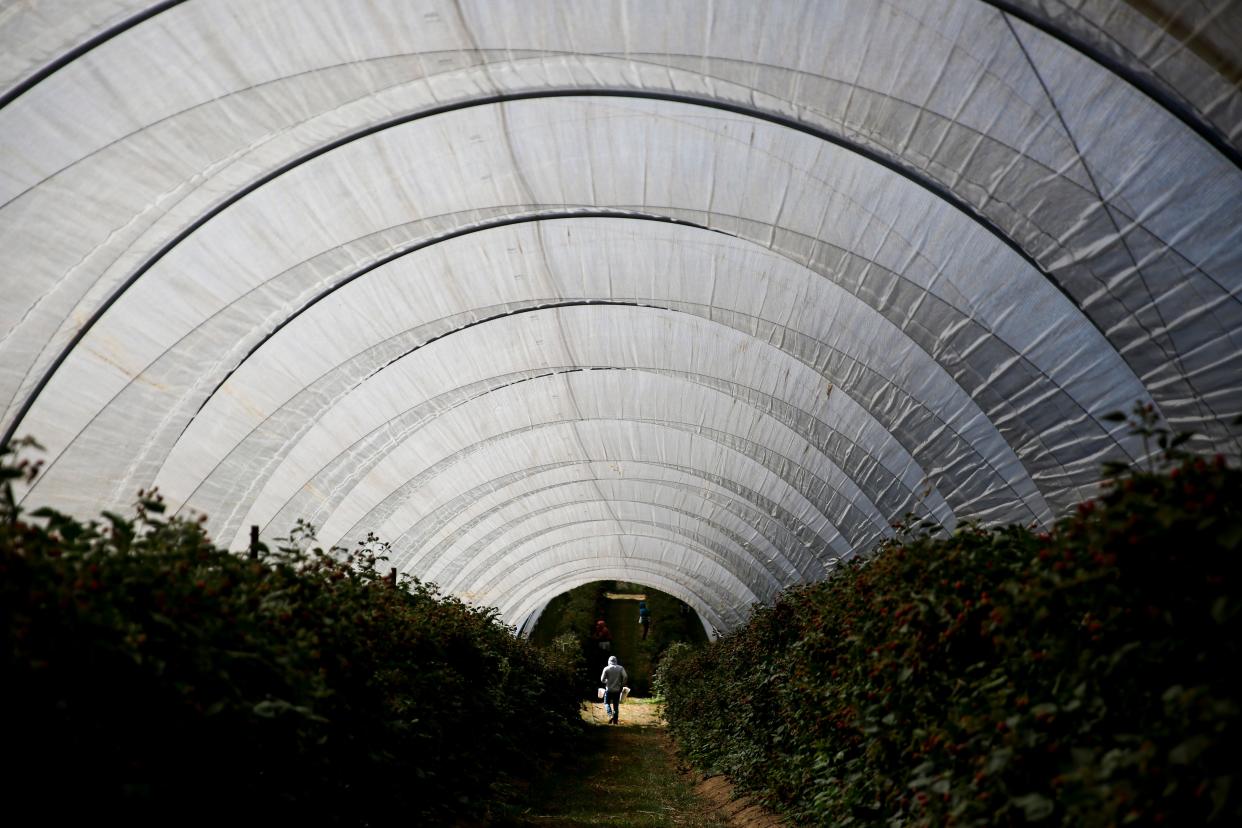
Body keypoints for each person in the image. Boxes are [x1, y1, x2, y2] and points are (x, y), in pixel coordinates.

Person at [600, 655, 627, 724]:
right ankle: (615, 721)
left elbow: (602, 680)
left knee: (606, 703)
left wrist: (607, 681)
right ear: (616, 661)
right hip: (617, 690)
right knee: (616, 705)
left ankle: (610, 715)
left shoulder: (606, 668)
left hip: (608, 690)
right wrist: (622, 684)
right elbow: (625, 676)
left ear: (609, 661)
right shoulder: (620, 668)